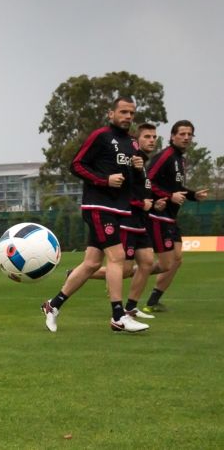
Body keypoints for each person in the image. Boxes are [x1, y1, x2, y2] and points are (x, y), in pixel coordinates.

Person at [41, 97, 149, 333]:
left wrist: (139, 169)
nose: (128, 116)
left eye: (131, 113)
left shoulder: (133, 144)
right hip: (98, 206)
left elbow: (137, 183)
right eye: (123, 112)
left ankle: (53, 305)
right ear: (111, 114)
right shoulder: (101, 136)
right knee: (117, 257)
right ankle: (118, 317)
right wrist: (104, 180)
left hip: (119, 209)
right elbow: (76, 165)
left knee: (90, 264)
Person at [88, 123, 164, 319]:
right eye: (147, 136)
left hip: (140, 222)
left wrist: (154, 202)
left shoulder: (142, 165)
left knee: (147, 262)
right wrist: (141, 203)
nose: (152, 140)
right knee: (123, 268)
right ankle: (78, 275)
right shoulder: (128, 162)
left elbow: (142, 191)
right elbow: (123, 193)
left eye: (154, 137)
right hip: (127, 220)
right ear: (135, 142)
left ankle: (130, 307)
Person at [142, 119, 209, 313]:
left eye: (190, 134)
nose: (186, 137)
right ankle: (103, 273)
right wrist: (169, 196)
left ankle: (153, 301)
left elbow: (176, 188)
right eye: (182, 134)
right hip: (157, 215)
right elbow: (148, 181)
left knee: (176, 260)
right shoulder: (166, 156)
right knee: (165, 263)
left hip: (170, 217)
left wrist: (193, 195)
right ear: (172, 136)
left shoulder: (180, 159)